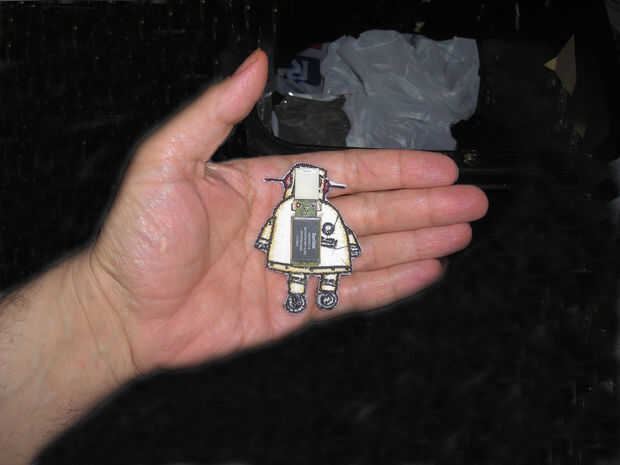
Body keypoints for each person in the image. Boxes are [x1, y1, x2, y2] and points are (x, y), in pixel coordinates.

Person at [0, 50, 488, 465]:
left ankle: (318, 288)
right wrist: (109, 309)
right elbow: (276, 231)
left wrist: (106, 311)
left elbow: (337, 231)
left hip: (316, 254)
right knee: (299, 278)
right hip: (292, 257)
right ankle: (302, 290)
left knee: (325, 272)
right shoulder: (289, 212)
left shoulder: (320, 213)